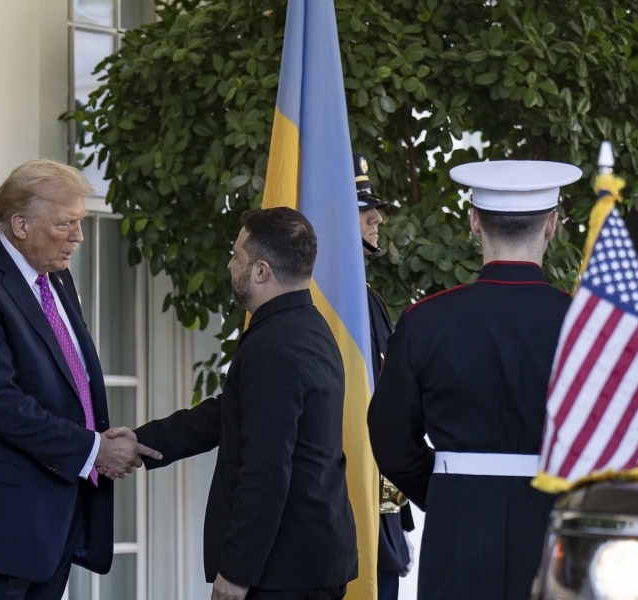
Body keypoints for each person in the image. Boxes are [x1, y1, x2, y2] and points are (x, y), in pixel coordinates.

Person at [367, 160, 582, 600]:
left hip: (457, 527)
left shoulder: (425, 321)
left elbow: (390, 439)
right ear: (552, 226)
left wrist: (447, 488)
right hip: (559, 527)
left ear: (474, 222)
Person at [0, 158, 161, 600]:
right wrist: (93, 449)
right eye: (66, 223)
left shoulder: (55, 275)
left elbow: (69, 379)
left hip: (61, 512)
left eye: (79, 222)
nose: (79, 236)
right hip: (6, 528)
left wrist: (96, 443)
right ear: (21, 224)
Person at [132, 207, 358, 600]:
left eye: (236, 255)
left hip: (282, 571)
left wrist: (238, 570)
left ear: (261, 271)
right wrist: (141, 442)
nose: (229, 264)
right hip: (309, 559)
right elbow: (232, 412)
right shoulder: (308, 325)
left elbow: (266, 468)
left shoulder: (273, 345)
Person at [353, 153, 414, 599]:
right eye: (363, 209)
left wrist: (393, 508)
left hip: (380, 499)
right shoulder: (326, 303)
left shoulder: (368, 298)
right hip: (347, 504)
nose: (378, 218)